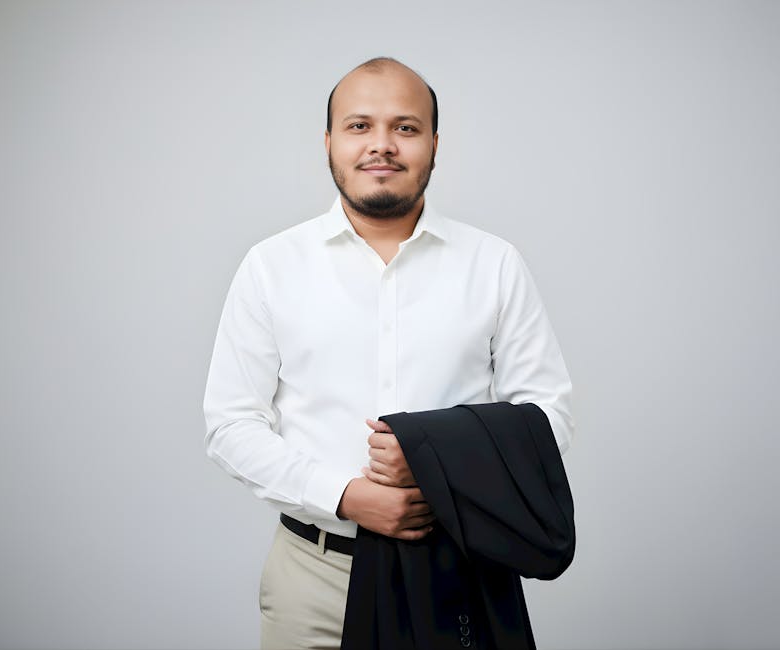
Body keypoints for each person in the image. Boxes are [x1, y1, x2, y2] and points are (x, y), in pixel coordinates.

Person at [203, 56, 575, 650]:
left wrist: (437, 467)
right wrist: (348, 496)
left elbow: (548, 417)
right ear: (328, 141)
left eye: (405, 127)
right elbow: (230, 425)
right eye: (359, 126)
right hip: (315, 579)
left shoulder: (494, 264)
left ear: (434, 144)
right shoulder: (271, 266)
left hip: (457, 569)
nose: (382, 145)